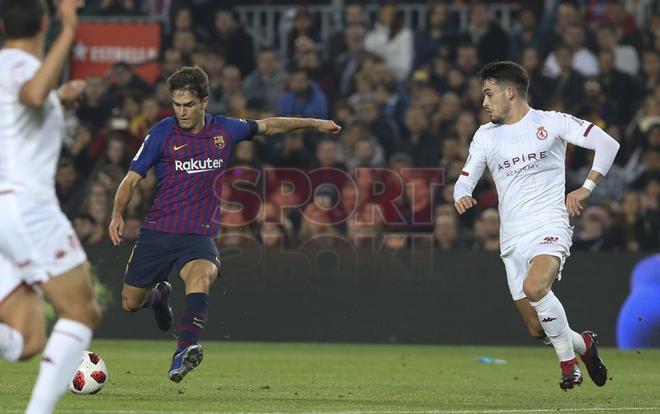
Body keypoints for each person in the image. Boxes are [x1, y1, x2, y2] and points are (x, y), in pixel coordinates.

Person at [108, 65, 341, 383]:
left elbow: (269, 126)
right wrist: (117, 214)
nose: (182, 111)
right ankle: (159, 298)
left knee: (200, 277)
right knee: (130, 303)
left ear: (204, 101)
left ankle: (183, 351)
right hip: (158, 232)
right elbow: (131, 178)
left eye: (188, 105)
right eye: (176, 104)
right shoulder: (162, 133)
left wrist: (314, 124)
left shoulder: (224, 130)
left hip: (198, 235)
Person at [453, 61, 618, 390]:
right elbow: (465, 178)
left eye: (488, 94)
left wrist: (586, 187)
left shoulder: (551, 122)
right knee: (536, 327)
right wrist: (462, 194)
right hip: (511, 237)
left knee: (535, 287)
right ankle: (584, 345)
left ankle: (568, 365)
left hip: (549, 224)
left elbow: (608, 144)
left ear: (510, 92)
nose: (484, 103)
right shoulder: (485, 135)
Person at [0, 1, 102, 413]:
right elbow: (32, 93)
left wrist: (60, 95)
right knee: (81, 311)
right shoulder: (24, 68)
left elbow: (24, 108)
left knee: (27, 341)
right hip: (26, 206)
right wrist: (70, 30)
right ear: (44, 21)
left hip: (6, 212)